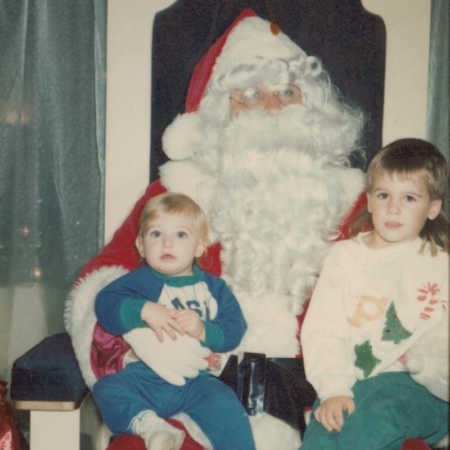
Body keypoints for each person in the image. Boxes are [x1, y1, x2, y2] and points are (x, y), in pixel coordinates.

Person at [65, 9, 367, 450]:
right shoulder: (178, 194)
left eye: (287, 91)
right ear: (219, 111)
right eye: (248, 94)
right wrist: (146, 339)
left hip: (319, 397)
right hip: (189, 392)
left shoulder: (356, 204)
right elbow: (103, 280)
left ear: (314, 106)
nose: (271, 107)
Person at [300, 138, 449, 450]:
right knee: (324, 432)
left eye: (409, 198)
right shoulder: (345, 257)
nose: (393, 208)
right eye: (384, 195)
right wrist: (333, 389)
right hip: (352, 383)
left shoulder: (439, 264)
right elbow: (323, 330)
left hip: (418, 389)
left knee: (373, 421)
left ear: (433, 207)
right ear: (369, 201)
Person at [92, 192, 255, 450]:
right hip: (145, 376)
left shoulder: (213, 287)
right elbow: (105, 305)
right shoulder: (141, 281)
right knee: (106, 389)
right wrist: (143, 309)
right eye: (156, 234)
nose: (167, 243)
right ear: (141, 245)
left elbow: (235, 327)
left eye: (180, 235)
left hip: (197, 380)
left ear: (200, 246)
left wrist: (204, 330)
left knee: (226, 404)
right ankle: (152, 427)